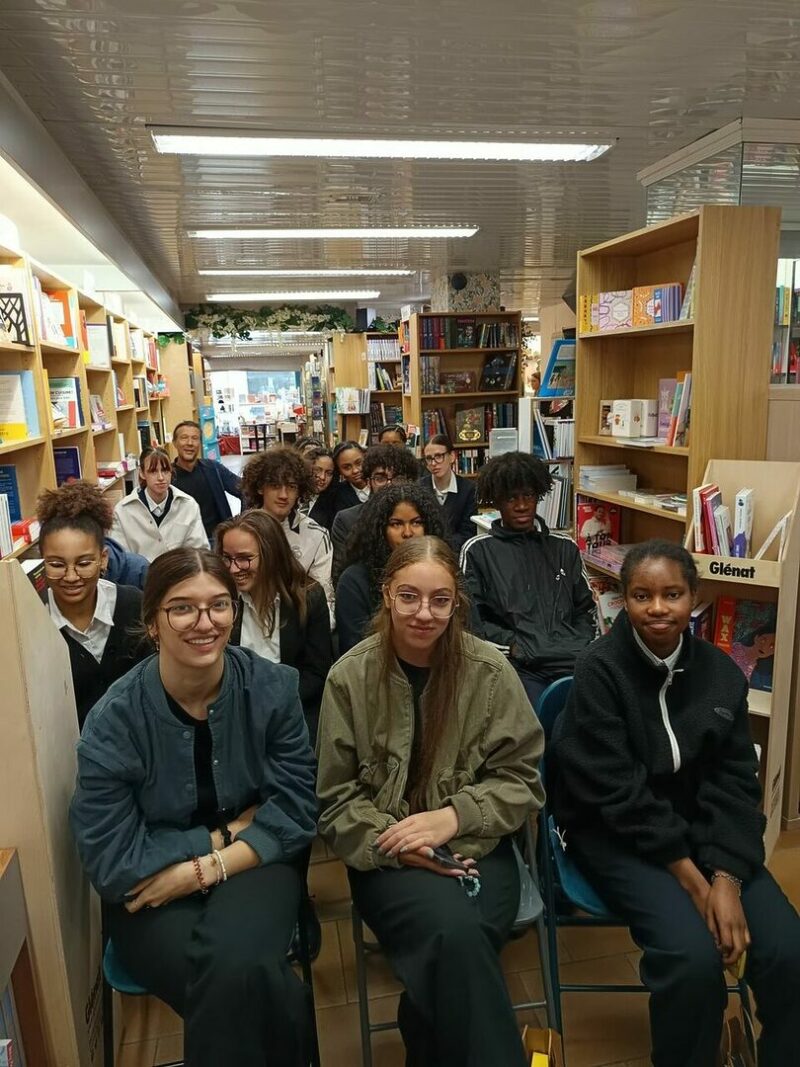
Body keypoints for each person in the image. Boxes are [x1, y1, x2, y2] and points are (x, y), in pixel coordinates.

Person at [550, 540, 800, 1067]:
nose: (658, 608)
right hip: (616, 834)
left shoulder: (719, 671)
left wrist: (727, 879)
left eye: (672, 594)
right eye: (642, 595)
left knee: (788, 952)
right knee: (690, 963)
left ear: (695, 597)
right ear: (624, 598)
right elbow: (613, 792)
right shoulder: (599, 669)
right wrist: (697, 884)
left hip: (703, 830)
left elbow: (735, 782)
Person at [70, 548, 318, 1067]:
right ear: (153, 622)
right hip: (149, 890)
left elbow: (295, 812)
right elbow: (112, 862)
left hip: (258, 863)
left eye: (219, 606)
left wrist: (199, 872)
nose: (204, 623)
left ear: (235, 611)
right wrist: (219, 838)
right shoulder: (113, 721)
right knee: (261, 988)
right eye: (182, 608)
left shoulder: (272, 690)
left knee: (236, 974)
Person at [317, 536, 544, 1067]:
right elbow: (335, 799)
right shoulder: (349, 677)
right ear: (387, 595)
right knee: (460, 938)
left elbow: (523, 780)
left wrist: (453, 817)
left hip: (477, 847)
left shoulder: (488, 670)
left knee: (458, 944)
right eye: (409, 597)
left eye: (440, 600)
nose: (424, 613)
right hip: (386, 855)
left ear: (456, 602)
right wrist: (395, 843)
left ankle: (424, 1035)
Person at [461, 451, 595, 709]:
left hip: (574, 659)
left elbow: (586, 609)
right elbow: (470, 619)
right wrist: (513, 646)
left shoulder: (564, 548)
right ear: (497, 501)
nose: (522, 506)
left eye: (528, 496)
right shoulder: (478, 550)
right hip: (520, 666)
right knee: (537, 726)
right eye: (511, 498)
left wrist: (579, 642)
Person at [36, 480, 152, 728]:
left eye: (84, 563)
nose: (70, 576)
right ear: (41, 562)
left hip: (141, 751)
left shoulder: (134, 606)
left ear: (103, 559)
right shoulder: (32, 622)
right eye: (56, 564)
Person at [218, 510, 332, 743]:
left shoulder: (309, 598)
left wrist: (270, 703)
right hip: (232, 716)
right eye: (226, 558)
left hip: (291, 712)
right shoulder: (219, 601)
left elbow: (317, 674)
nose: (233, 569)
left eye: (244, 558)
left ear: (271, 555)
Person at [336, 483, 445, 655]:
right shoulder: (354, 581)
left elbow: (468, 635)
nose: (407, 533)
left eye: (416, 522)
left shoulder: (446, 574)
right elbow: (356, 654)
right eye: (396, 524)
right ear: (380, 530)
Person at [241, 446, 334, 621]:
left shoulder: (316, 535)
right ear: (260, 488)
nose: (284, 495)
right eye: (275, 485)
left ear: (300, 490)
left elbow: (325, 600)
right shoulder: (240, 531)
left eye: (291, 486)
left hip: (299, 626)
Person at [331, 443, 421, 582]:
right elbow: (342, 577)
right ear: (368, 482)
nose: (390, 485)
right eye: (380, 478)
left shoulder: (424, 517)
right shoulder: (347, 520)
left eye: (398, 478)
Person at [110, 447, 208, 560]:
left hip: (181, 574)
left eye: (165, 471)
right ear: (142, 473)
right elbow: (120, 559)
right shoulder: (122, 511)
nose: (161, 478)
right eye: (153, 471)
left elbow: (199, 552)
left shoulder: (188, 505)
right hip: (139, 575)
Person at [170, 420, 242, 541]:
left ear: (200, 443)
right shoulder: (168, 477)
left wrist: (242, 523)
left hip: (216, 540)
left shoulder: (213, 469)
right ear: (175, 443)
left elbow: (245, 489)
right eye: (184, 438)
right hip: (184, 544)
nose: (189, 443)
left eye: (195, 438)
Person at [420, 434, 477, 551]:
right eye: (429, 458)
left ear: (452, 456)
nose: (434, 463)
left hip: (456, 552)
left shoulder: (468, 489)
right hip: (425, 551)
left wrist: (443, 547)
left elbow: (468, 532)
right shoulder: (419, 488)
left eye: (439, 456)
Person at [303, 444, 338, 531]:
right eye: (317, 470)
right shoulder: (293, 495)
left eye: (329, 473)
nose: (322, 477)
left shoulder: (335, 503)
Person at [331, 440, 368, 515]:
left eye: (359, 463)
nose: (355, 470)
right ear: (339, 471)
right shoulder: (337, 495)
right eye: (347, 467)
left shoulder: (381, 484)